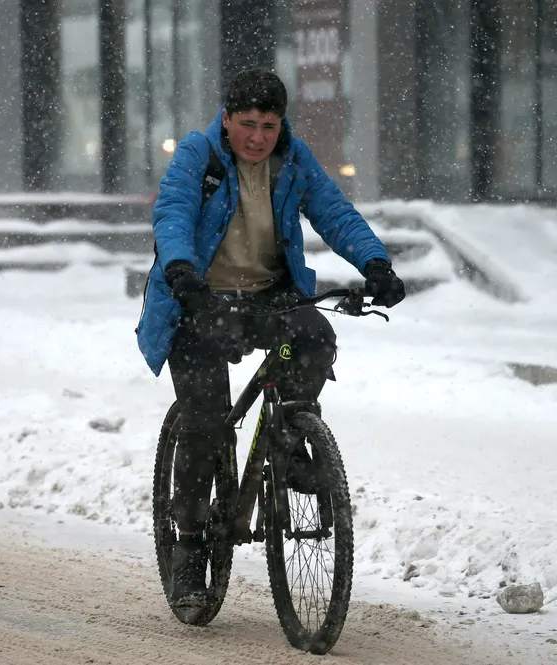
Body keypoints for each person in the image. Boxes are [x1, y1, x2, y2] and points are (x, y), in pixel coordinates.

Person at [135, 68, 406, 607]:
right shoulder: (199, 156)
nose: (258, 136)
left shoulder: (293, 158)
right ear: (227, 120)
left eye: (270, 124)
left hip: (267, 301)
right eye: (247, 124)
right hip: (199, 303)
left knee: (311, 338)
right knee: (207, 423)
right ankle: (189, 548)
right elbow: (173, 214)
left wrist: (375, 262)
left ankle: (290, 440)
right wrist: (183, 272)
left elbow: (334, 212)